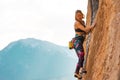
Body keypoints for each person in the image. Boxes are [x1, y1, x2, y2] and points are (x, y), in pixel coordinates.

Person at [73, 10, 96, 79]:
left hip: (80, 41)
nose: (79, 17)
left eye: (80, 15)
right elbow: (85, 30)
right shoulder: (76, 23)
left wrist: (90, 29)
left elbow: (86, 31)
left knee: (82, 57)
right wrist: (92, 26)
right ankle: (77, 71)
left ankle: (79, 71)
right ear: (76, 17)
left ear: (82, 15)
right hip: (76, 41)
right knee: (81, 54)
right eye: (78, 16)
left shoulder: (82, 22)